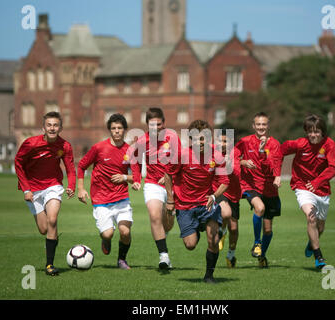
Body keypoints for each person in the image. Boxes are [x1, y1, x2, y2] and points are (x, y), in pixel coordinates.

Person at [164, 120, 229, 283]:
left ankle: (209, 276)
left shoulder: (217, 156)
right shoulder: (182, 155)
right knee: (190, 244)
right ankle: (198, 229)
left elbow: (224, 182)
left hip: (206, 204)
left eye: (205, 138)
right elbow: (167, 175)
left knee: (213, 240)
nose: (201, 142)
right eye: (198, 138)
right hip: (185, 206)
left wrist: (214, 196)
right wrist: (170, 200)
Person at [14, 111, 76, 276]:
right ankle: (53, 236)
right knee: (44, 229)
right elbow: (18, 162)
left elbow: (70, 168)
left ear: (60, 127)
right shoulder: (30, 144)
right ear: (43, 127)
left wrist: (71, 186)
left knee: (52, 219)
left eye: (55, 125)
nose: (52, 128)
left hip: (53, 186)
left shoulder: (65, 146)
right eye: (49, 125)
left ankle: (50, 265)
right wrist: (26, 188)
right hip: (33, 190)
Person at [77, 114, 141, 270]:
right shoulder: (99, 148)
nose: (117, 131)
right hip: (101, 199)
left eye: (119, 128)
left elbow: (137, 176)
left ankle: (121, 260)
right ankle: (105, 239)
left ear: (124, 130)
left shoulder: (130, 151)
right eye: (113, 128)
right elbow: (81, 166)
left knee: (125, 232)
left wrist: (127, 179)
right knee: (108, 234)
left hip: (121, 198)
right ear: (109, 130)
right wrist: (81, 188)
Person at [280, 114, 335, 269]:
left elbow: (332, 168)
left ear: (322, 132)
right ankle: (319, 257)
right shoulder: (299, 144)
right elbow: (278, 151)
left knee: (320, 227)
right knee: (311, 218)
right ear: (306, 131)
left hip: (322, 190)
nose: (313, 135)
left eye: (317, 131)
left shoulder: (330, 144)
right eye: (310, 131)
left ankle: (312, 243)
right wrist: (275, 173)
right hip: (302, 187)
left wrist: (317, 182)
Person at [128, 108, 181, 269]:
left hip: (172, 184)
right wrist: (136, 178)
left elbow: (179, 160)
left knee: (168, 223)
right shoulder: (142, 140)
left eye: (158, 124)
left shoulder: (172, 137)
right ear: (147, 125)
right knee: (154, 215)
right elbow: (134, 160)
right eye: (152, 125)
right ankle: (163, 256)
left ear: (163, 123)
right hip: (152, 184)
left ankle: (168, 221)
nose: (156, 127)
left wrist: (169, 176)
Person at [235, 112, 282, 268]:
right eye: (258, 124)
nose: (261, 127)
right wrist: (243, 161)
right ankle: (256, 242)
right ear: (253, 126)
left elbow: (273, 164)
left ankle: (262, 255)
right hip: (251, 185)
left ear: (268, 126)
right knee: (259, 208)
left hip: (269, 188)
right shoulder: (244, 141)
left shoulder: (274, 144)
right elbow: (232, 157)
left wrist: (277, 176)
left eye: (264, 124)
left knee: (268, 230)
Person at [213, 129, 241, 268]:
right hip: (219, 190)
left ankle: (231, 254)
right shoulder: (212, 153)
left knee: (234, 228)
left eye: (226, 141)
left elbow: (237, 173)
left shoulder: (234, 152)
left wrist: (229, 165)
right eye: (220, 140)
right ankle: (221, 230)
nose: (223, 143)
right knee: (225, 213)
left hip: (234, 193)